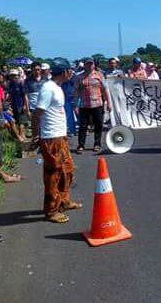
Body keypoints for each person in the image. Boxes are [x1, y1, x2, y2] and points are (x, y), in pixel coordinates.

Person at [31, 60, 82, 223]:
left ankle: (64, 201)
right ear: (64, 71)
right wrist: (36, 136)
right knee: (53, 175)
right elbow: (37, 113)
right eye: (70, 70)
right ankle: (51, 210)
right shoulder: (48, 88)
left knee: (67, 170)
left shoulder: (57, 88)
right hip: (51, 138)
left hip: (60, 136)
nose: (72, 73)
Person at [73, 58, 111, 153]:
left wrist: (109, 103)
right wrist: (75, 105)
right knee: (83, 126)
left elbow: (105, 89)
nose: (89, 66)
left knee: (98, 124)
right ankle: (81, 145)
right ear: (84, 65)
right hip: (84, 104)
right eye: (87, 64)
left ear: (93, 65)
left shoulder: (99, 75)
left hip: (97, 103)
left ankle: (97, 144)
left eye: (91, 64)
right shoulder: (79, 77)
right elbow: (76, 91)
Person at [7, 69, 28, 141]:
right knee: (15, 121)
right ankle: (19, 137)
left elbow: (25, 96)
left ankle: (22, 137)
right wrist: (8, 105)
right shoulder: (10, 84)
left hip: (21, 105)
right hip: (13, 105)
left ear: (18, 75)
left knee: (21, 122)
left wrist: (25, 105)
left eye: (15, 75)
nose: (13, 77)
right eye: (12, 75)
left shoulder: (21, 83)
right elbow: (9, 95)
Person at [23, 62, 45, 128]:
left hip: (43, 107)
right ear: (32, 70)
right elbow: (26, 95)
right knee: (35, 127)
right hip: (33, 108)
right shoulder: (27, 81)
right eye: (35, 70)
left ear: (41, 69)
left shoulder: (45, 80)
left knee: (43, 127)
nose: (37, 71)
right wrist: (27, 109)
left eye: (38, 69)